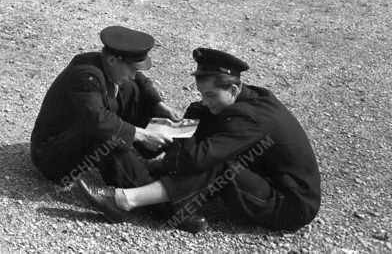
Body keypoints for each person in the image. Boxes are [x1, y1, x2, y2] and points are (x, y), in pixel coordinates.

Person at [74, 48, 321, 234]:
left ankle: (125, 200)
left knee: (216, 162)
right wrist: (192, 120)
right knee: (207, 139)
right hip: (267, 181)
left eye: (211, 95)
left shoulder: (251, 118)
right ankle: (162, 190)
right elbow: (202, 129)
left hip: (288, 205)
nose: (205, 100)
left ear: (234, 90)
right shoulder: (246, 98)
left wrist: (185, 132)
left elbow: (196, 159)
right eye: (202, 94)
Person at [30, 26, 183, 191]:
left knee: (132, 89)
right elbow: (97, 121)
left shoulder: (108, 64)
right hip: (51, 154)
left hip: (75, 136)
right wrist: (141, 135)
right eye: (132, 68)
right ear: (112, 60)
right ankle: (151, 196)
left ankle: (171, 155)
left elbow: (139, 79)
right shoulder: (85, 77)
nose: (134, 74)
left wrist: (159, 105)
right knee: (109, 135)